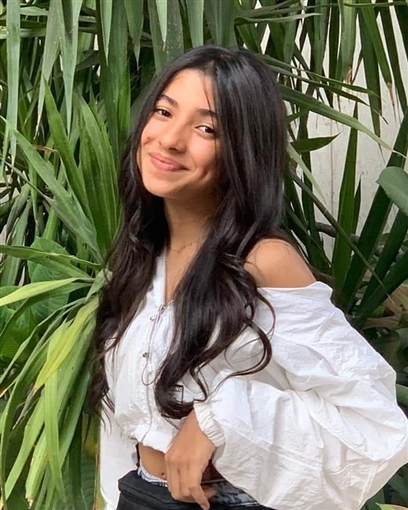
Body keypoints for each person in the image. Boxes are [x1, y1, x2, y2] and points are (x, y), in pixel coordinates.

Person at [89, 45, 408, 510]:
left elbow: (373, 424)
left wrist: (219, 418)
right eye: (164, 112)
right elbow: (129, 415)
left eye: (206, 128)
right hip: (139, 492)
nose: (170, 139)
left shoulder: (263, 261)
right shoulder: (144, 257)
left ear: (241, 150)